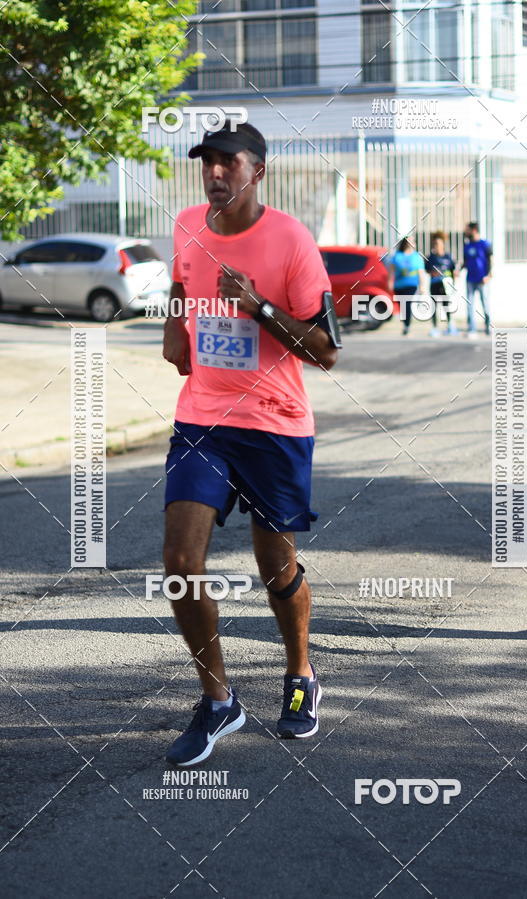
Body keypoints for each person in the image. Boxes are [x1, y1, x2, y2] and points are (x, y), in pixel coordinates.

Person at [161, 121, 339, 767]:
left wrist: (259, 306)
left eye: (227, 162)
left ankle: (300, 673)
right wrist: (176, 325)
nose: (214, 174)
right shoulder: (187, 224)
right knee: (181, 561)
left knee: (275, 567)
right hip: (202, 417)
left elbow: (326, 351)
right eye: (206, 162)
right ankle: (218, 701)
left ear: (257, 171)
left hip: (274, 422)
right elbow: (181, 279)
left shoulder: (291, 240)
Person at [388, 237, 426, 335]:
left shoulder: (417, 257)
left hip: (411, 285)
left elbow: (421, 272)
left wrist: (422, 286)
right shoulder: (397, 256)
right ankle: (405, 323)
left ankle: (407, 325)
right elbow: (391, 271)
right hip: (399, 285)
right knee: (402, 306)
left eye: (413, 241)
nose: (411, 243)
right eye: (409, 241)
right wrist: (390, 283)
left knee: (407, 303)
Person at [425, 231, 458, 337]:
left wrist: (453, 281)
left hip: (446, 285)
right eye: (435, 244)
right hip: (435, 284)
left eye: (439, 244)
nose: (437, 246)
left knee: (446, 305)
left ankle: (449, 326)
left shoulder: (448, 257)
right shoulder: (431, 257)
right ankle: (435, 328)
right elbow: (427, 269)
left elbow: (453, 270)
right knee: (434, 306)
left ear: (443, 244)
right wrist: (433, 273)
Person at [462, 222, 493, 337]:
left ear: (474, 230)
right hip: (470, 278)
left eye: (468, 230)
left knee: (485, 303)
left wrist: (489, 275)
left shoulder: (485, 244)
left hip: (482, 278)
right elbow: (465, 262)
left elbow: (491, 259)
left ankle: (487, 326)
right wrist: (458, 270)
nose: (466, 232)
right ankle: (472, 328)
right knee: (469, 304)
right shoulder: (467, 246)